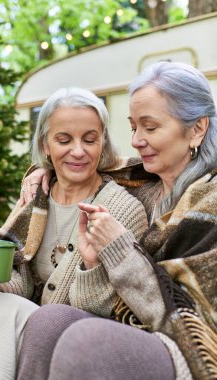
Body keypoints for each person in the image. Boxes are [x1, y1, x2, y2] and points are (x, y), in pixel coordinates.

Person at [16, 61, 217, 380]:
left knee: (84, 343)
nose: (136, 139)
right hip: (130, 320)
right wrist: (42, 172)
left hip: (184, 346)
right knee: (47, 321)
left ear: (197, 129)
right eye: (133, 126)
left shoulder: (209, 203)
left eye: (150, 128)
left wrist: (119, 250)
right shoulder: (142, 181)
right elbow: (79, 163)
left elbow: (190, 323)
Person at [0, 87, 148, 379]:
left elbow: (104, 312)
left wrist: (91, 265)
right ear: (46, 145)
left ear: (103, 142)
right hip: (29, 323)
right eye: (64, 140)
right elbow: (22, 286)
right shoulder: (35, 197)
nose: (78, 151)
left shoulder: (121, 210)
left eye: (90, 139)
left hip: (71, 334)